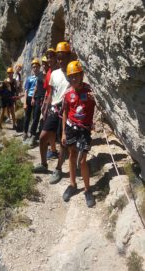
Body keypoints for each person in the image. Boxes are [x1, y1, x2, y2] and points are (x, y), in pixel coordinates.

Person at [33, 42, 71, 185]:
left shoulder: (72, 73)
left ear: (68, 57)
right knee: (43, 137)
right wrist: (45, 106)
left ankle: (59, 168)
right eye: (58, 58)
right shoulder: (54, 73)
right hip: (55, 109)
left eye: (63, 57)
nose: (60, 60)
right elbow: (51, 93)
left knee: (63, 142)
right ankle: (44, 164)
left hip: (67, 111)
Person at [61, 60, 96, 207]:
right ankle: (73, 184)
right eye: (71, 77)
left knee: (82, 160)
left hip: (84, 129)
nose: (73, 79)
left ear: (81, 75)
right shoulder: (68, 93)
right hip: (71, 128)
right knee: (72, 155)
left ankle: (87, 190)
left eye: (76, 76)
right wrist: (63, 133)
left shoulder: (89, 91)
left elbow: (97, 104)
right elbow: (65, 112)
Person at [26, 57, 47, 146]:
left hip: (44, 98)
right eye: (43, 64)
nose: (44, 65)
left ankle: (39, 135)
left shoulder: (48, 74)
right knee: (35, 116)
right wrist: (33, 97)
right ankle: (33, 134)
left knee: (42, 116)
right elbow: (36, 87)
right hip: (38, 97)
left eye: (45, 64)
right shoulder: (41, 75)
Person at [42, 48, 59, 159]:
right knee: (50, 130)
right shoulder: (48, 73)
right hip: (51, 103)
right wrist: (44, 104)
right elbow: (48, 91)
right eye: (48, 57)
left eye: (51, 57)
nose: (49, 59)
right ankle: (53, 150)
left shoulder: (59, 70)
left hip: (60, 103)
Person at [23, 59, 39, 141]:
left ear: (39, 67)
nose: (35, 68)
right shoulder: (29, 78)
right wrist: (25, 103)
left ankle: (32, 133)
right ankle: (25, 132)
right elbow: (26, 90)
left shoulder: (41, 77)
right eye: (33, 67)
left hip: (37, 98)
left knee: (36, 116)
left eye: (36, 67)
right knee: (27, 116)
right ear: (32, 68)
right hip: (29, 97)